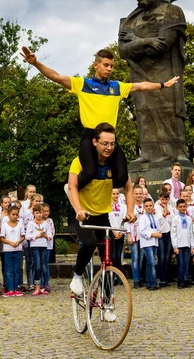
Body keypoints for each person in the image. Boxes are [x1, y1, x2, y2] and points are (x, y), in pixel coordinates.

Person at [21, 46, 178, 189]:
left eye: (111, 66)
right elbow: (56, 77)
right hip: (90, 135)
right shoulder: (83, 84)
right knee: (89, 173)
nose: (109, 69)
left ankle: (103, 195)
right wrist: (35, 63)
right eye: (106, 65)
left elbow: (140, 86)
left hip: (109, 137)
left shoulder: (116, 87)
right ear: (96, 65)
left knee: (122, 177)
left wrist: (163, 85)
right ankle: (73, 190)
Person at [118, 0, 188, 163]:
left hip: (166, 71)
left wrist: (135, 40)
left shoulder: (172, 12)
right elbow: (123, 50)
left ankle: (177, 153)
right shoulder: (131, 19)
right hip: (139, 72)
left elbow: (162, 46)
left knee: (169, 111)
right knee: (144, 113)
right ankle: (148, 153)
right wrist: (145, 41)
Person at [67, 122, 135, 304]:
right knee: (88, 243)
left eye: (112, 144)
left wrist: (130, 211)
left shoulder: (115, 164)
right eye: (105, 143)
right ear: (95, 142)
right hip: (83, 215)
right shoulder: (79, 161)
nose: (109, 147)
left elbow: (129, 188)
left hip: (103, 216)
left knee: (111, 257)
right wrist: (79, 210)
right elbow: (72, 187)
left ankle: (107, 300)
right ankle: (78, 276)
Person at [26, 204, 53, 296]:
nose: (39, 215)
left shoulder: (46, 224)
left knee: (42, 266)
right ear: (33, 213)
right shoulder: (31, 223)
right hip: (35, 247)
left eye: (40, 212)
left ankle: (41, 286)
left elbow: (50, 236)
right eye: (37, 213)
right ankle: (37, 286)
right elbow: (27, 236)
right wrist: (37, 236)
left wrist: (45, 235)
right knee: (37, 266)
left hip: (44, 246)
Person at [0, 205, 25, 297]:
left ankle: (16, 288)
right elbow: (2, 238)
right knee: (9, 270)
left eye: (16, 214)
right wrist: (10, 242)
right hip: (8, 250)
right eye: (13, 214)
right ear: (9, 215)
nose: (15, 216)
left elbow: (23, 236)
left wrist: (18, 241)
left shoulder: (20, 225)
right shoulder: (5, 225)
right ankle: (10, 288)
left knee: (16, 269)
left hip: (17, 249)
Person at [138, 198, 162, 291]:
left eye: (150, 206)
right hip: (147, 242)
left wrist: (159, 233)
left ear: (153, 206)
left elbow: (157, 228)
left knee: (149, 263)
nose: (148, 207)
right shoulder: (142, 218)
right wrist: (153, 234)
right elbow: (142, 231)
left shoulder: (155, 217)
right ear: (144, 207)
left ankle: (148, 282)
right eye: (146, 206)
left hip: (154, 242)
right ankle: (153, 283)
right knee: (151, 262)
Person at [171, 199, 194, 289]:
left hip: (187, 244)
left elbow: (191, 233)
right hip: (179, 245)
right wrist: (175, 246)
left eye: (184, 206)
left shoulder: (189, 219)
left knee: (186, 263)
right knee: (180, 264)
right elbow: (173, 233)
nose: (182, 208)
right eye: (180, 207)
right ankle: (180, 281)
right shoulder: (175, 219)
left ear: (186, 207)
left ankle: (186, 279)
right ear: (177, 207)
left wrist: (192, 246)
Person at [126, 185, 145, 288]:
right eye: (136, 193)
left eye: (140, 193)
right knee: (135, 257)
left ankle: (139, 277)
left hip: (143, 236)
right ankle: (136, 280)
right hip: (133, 235)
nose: (138, 195)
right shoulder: (130, 206)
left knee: (141, 258)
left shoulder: (145, 206)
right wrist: (128, 235)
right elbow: (126, 222)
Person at [154, 191, 174, 288]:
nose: (164, 201)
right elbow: (158, 221)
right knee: (161, 256)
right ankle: (161, 279)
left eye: (166, 199)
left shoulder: (170, 207)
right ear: (159, 198)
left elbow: (172, 220)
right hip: (160, 234)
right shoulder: (156, 207)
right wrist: (164, 214)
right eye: (162, 199)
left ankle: (166, 278)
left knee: (167, 257)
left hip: (168, 233)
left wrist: (167, 211)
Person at [109, 188, 127, 274]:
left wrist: (121, 232)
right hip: (111, 233)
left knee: (118, 255)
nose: (116, 196)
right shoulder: (108, 207)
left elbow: (125, 220)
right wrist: (113, 231)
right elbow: (108, 220)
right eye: (114, 194)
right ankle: (111, 274)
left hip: (120, 233)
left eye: (117, 194)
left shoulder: (124, 207)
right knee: (112, 255)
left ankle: (118, 275)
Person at [42, 203, 55, 292]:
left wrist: (46, 236)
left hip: (48, 245)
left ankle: (46, 282)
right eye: (44, 211)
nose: (46, 213)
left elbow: (52, 232)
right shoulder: (37, 221)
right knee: (39, 264)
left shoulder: (50, 221)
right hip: (39, 244)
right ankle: (39, 282)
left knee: (45, 264)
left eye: (47, 211)